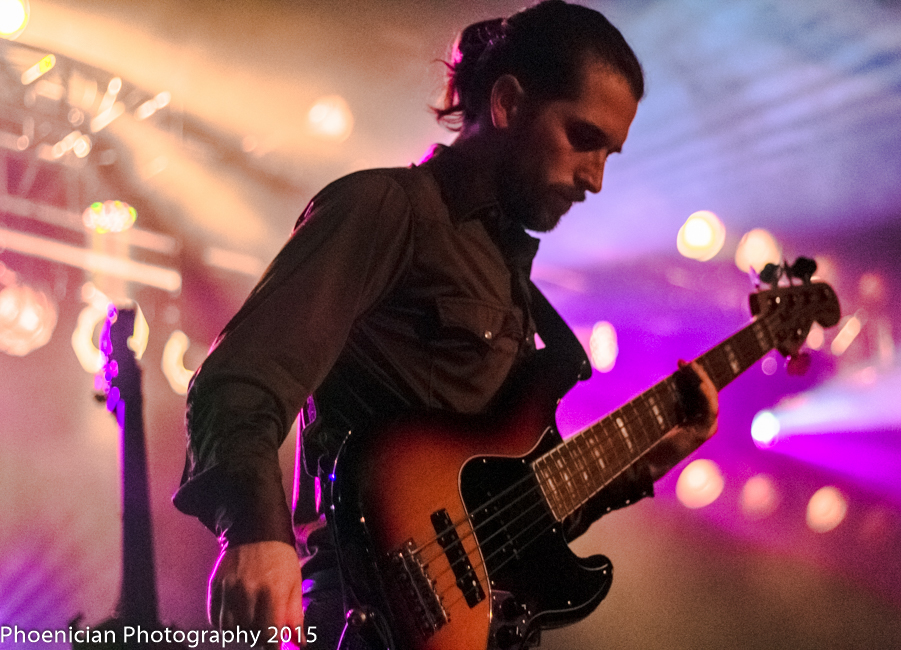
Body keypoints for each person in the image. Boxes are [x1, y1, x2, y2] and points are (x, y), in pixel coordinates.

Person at [173, 2, 718, 648]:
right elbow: (239, 377)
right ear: (509, 103)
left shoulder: (509, 279)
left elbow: (498, 520)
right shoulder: (388, 210)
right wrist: (257, 532)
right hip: (357, 615)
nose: (595, 179)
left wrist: (642, 465)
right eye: (583, 137)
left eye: (610, 154)